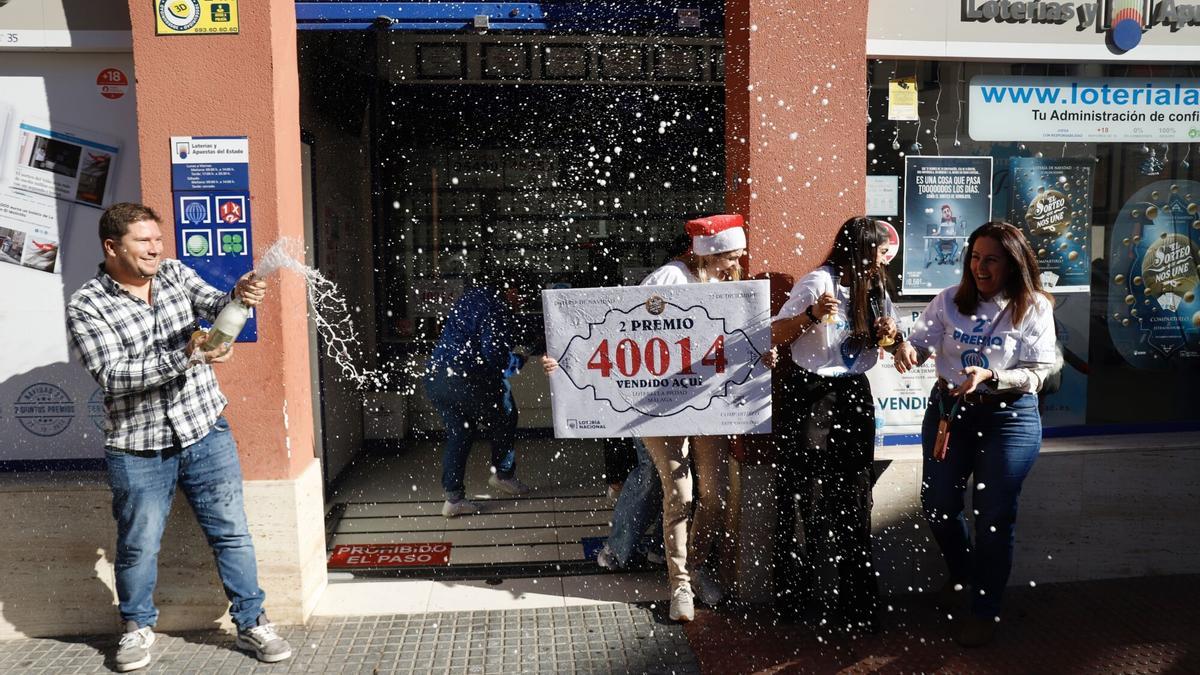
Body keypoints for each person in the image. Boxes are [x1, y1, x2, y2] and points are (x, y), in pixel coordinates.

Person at [66, 202, 291, 672]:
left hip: (204, 427)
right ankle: (136, 629)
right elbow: (113, 375)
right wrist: (189, 356)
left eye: (157, 239)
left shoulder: (172, 272)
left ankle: (253, 622)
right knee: (138, 543)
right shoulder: (87, 304)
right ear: (112, 247)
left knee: (232, 534)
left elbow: (212, 303)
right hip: (137, 446)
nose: (155, 248)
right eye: (142, 241)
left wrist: (240, 293)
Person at [543, 214, 747, 622]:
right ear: (710, 253)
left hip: (709, 404)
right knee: (681, 495)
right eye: (731, 257)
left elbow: (741, 337)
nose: (736, 265)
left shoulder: (727, 283)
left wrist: (762, 356)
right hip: (662, 406)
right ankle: (681, 586)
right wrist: (569, 359)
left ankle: (698, 566)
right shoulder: (668, 280)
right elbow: (621, 332)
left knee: (714, 495)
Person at [894, 221, 1057, 647]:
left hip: (1010, 419)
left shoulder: (1034, 306)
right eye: (975, 257)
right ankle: (963, 574)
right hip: (951, 413)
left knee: (994, 517)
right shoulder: (949, 300)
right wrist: (910, 349)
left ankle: (985, 608)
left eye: (991, 259)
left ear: (1013, 264)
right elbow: (923, 341)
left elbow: (1038, 374)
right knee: (939, 504)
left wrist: (992, 375)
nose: (980, 267)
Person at [768, 216, 900, 636]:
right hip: (810, 395)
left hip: (853, 394)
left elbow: (890, 342)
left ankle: (856, 601)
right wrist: (809, 314)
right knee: (799, 492)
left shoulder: (875, 287)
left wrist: (894, 339)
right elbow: (774, 334)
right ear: (857, 249)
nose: (883, 261)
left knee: (855, 495)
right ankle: (793, 596)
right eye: (878, 253)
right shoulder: (816, 282)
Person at [425, 273, 535, 518]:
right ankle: (503, 475)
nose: (522, 303)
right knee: (506, 415)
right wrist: (520, 360)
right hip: (464, 378)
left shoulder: (472, 298)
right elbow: (493, 356)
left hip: (435, 376)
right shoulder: (496, 307)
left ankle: (453, 498)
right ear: (511, 290)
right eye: (522, 297)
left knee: (459, 432)